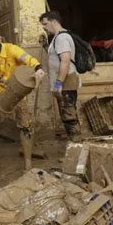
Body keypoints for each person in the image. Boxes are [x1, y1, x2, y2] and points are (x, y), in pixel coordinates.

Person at [0, 26, 45, 169]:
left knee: (26, 123)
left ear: (0, 38)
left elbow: (27, 58)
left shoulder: (11, 49)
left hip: (17, 90)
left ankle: (28, 161)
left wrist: (38, 68)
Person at [39, 11, 81, 140]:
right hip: (64, 81)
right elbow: (56, 58)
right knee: (67, 114)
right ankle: (75, 147)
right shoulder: (57, 38)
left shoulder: (62, 37)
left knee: (69, 116)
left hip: (65, 82)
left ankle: (76, 148)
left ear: (54, 21)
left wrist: (58, 83)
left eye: (45, 24)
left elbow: (65, 61)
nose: (44, 27)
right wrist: (46, 45)